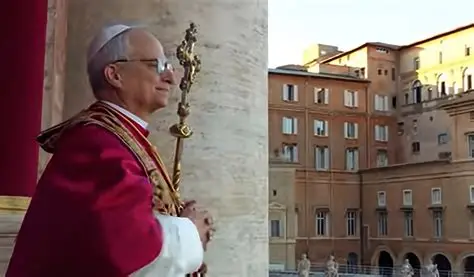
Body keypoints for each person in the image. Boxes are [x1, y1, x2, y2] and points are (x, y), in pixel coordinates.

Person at [6, 24, 213, 277]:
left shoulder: (120, 135)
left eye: (168, 66)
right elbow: (125, 251)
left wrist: (178, 220)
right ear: (115, 75)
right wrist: (190, 232)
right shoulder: (97, 144)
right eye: (156, 65)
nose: (170, 77)